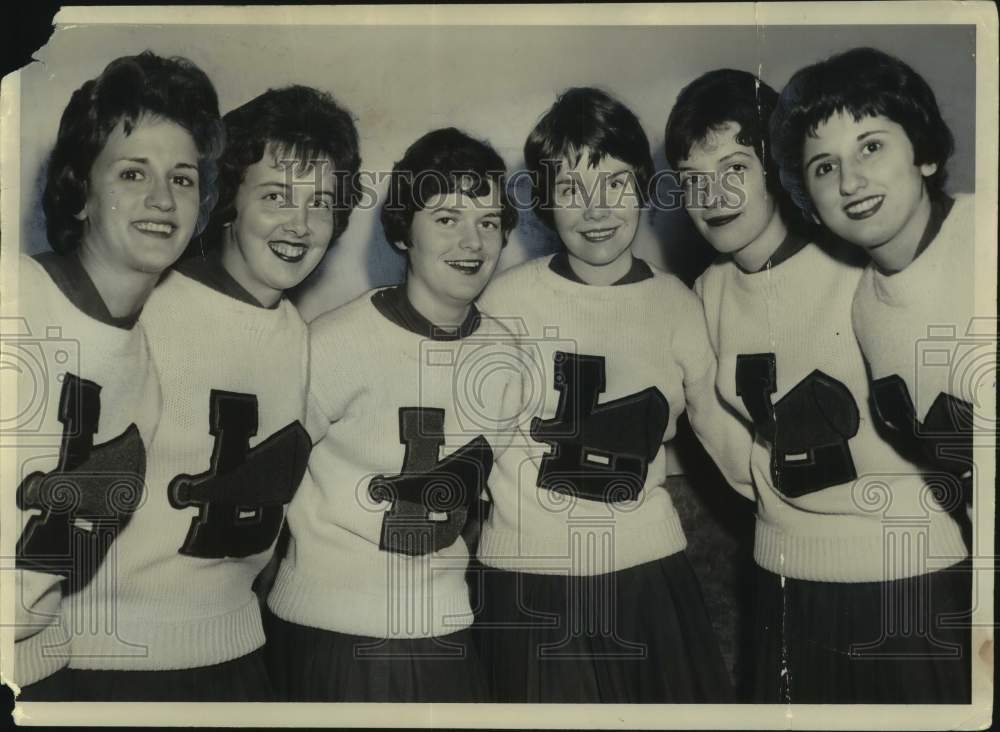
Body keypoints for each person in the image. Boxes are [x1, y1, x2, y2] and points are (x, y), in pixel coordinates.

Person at [667, 62, 968, 703]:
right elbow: (734, 455)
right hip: (784, 581)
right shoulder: (707, 294)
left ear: (778, 170)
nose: (713, 196)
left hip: (908, 583)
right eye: (693, 181)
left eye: (734, 170)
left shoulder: (864, 261)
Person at [60, 85, 361, 701]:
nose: (299, 226)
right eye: (275, 196)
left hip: (240, 662)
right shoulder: (142, 308)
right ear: (227, 200)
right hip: (101, 667)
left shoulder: (301, 339)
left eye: (321, 203)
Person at [472, 87, 751, 703]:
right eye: (571, 189)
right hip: (529, 576)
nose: (597, 210)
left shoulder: (680, 303)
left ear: (646, 188)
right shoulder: (503, 302)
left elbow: (725, 438)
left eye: (617, 183)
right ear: (546, 201)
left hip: (646, 575)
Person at [265, 127, 522, 702]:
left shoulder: (507, 355)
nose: (472, 242)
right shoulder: (331, 343)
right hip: (330, 631)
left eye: (488, 222)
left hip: (445, 631)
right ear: (405, 230)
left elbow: (482, 502)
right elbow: (269, 487)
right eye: (447, 218)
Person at [12, 51, 223, 701]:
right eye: (134, 173)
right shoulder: (14, 300)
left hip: (43, 674)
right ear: (79, 190)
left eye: (183, 179)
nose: (163, 199)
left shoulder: (146, 371)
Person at [770, 47, 977, 519]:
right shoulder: (867, 308)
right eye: (825, 166)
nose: (850, 181)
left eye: (871, 146)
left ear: (923, 153)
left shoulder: (985, 235)